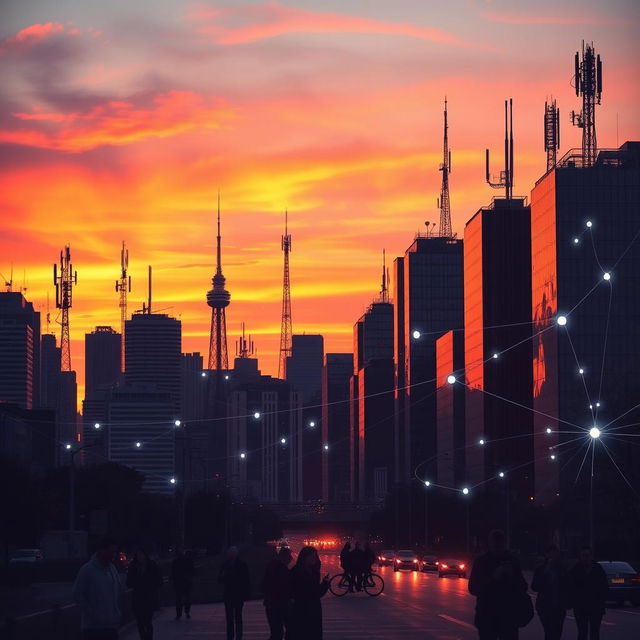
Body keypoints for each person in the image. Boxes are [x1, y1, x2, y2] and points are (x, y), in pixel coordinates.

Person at [468, 529, 528, 640]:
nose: (498, 547)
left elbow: (523, 587)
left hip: (508, 616)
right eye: (495, 544)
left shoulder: (513, 561)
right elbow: (473, 588)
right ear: (490, 544)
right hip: (487, 616)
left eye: (500, 544)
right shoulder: (482, 562)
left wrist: (512, 576)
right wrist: (493, 577)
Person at [73, 536, 124, 640]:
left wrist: (116, 612)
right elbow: (77, 594)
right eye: (111, 552)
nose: (113, 555)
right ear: (102, 551)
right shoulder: (87, 570)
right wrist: (93, 614)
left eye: (115, 552)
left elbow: (118, 591)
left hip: (111, 625)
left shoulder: (112, 569)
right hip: (93, 628)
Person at [288, 546, 329, 640]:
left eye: (315, 556)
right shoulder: (298, 572)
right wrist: (324, 584)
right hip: (303, 610)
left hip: (311, 609)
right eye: (311, 556)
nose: (314, 558)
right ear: (304, 557)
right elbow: (313, 592)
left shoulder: (311, 571)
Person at [531, 544, 571, 640]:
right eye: (551, 553)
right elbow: (535, 586)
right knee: (549, 631)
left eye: (555, 553)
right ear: (547, 555)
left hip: (559, 607)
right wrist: (545, 572)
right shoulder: (541, 569)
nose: (553, 556)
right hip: (545, 607)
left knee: (557, 632)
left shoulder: (562, 569)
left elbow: (568, 585)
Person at [569, 546, 608, 640]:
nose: (586, 557)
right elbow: (570, 587)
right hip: (580, 607)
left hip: (596, 607)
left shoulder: (598, 569)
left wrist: (601, 600)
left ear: (591, 556)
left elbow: (604, 586)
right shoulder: (575, 569)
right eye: (583, 555)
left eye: (588, 555)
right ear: (580, 556)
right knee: (582, 632)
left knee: (595, 633)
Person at [126, 548, 162, 640]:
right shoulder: (133, 567)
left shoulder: (152, 566)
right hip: (138, 598)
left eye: (141, 554)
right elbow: (128, 582)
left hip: (149, 598)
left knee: (148, 621)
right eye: (138, 555)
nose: (140, 557)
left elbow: (159, 581)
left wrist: (151, 586)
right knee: (140, 622)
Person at [218, 546, 251, 640]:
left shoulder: (241, 565)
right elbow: (219, 579)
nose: (231, 556)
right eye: (230, 555)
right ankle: (231, 636)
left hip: (237, 595)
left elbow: (246, 580)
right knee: (230, 618)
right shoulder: (225, 565)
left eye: (232, 555)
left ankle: (238, 636)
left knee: (238, 617)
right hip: (229, 595)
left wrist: (246, 593)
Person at [262, 546, 292, 640]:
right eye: (289, 556)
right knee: (278, 632)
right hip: (277, 604)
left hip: (275, 603)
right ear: (283, 557)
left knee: (278, 632)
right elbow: (280, 586)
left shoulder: (274, 566)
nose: (291, 559)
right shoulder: (279, 568)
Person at [171, 548, 195, 620]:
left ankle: (179, 614)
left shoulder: (176, 561)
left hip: (180, 582)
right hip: (185, 582)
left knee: (180, 599)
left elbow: (172, 572)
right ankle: (186, 612)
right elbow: (193, 571)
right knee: (186, 598)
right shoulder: (188, 560)